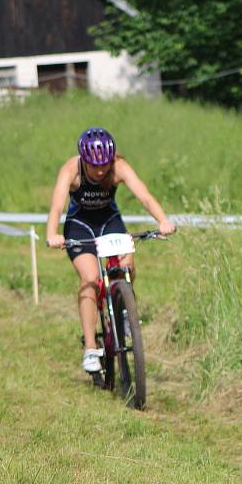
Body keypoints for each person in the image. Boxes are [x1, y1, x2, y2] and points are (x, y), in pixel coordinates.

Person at [46, 127, 175, 373]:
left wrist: (163, 220)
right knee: (91, 278)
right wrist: (53, 234)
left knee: (126, 266)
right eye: (94, 166)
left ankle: (124, 309)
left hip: (109, 221)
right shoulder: (71, 169)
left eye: (105, 164)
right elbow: (56, 206)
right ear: (84, 160)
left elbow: (145, 196)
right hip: (80, 226)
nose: (101, 170)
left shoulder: (119, 167)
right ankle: (91, 349)